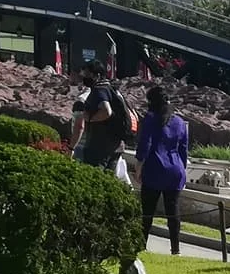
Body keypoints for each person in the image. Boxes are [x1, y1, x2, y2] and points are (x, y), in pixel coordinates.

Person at [136, 85, 190, 255]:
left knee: (147, 211)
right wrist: (182, 170)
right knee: (173, 211)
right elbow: (184, 149)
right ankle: (176, 249)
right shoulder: (179, 122)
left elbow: (145, 145)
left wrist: (138, 168)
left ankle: (141, 245)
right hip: (175, 169)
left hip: (154, 167)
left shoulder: (150, 119)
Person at [71, 63, 129, 174]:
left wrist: (89, 118)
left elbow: (107, 112)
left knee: (94, 176)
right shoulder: (113, 89)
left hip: (100, 145)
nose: (84, 77)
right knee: (109, 180)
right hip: (117, 144)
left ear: (97, 75)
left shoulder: (99, 90)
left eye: (87, 74)